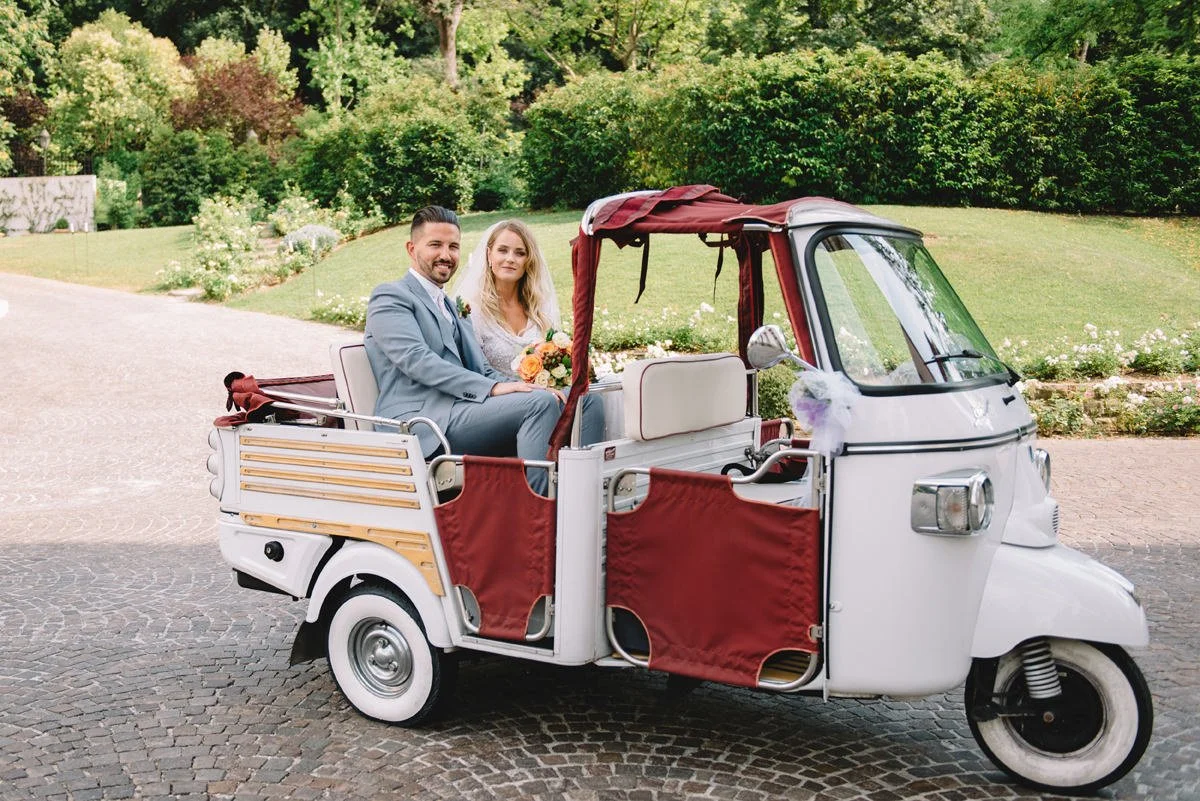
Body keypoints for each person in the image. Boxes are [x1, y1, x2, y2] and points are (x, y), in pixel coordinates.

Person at [363, 206, 562, 494]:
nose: (446, 254)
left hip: (462, 411)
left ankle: (578, 500)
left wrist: (522, 385)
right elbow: (417, 361)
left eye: (453, 246)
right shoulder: (391, 296)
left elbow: (481, 368)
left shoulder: (453, 305)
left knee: (575, 400)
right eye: (435, 245)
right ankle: (538, 516)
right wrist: (492, 388)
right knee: (539, 404)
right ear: (411, 248)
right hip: (421, 422)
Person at [452, 219, 604, 444]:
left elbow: (556, 360)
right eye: (502, 250)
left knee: (589, 398)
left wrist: (573, 367)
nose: (510, 259)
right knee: (543, 402)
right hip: (495, 401)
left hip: (542, 396)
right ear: (489, 254)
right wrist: (527, 390)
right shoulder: (471, 309)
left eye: (520, 253)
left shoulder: (538, 310)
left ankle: (583, 471)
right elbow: (473, 371)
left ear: (528, 260)